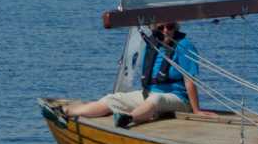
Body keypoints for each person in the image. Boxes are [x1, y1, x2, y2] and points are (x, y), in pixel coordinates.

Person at [65, 22, 214, 128]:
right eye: (161, 27)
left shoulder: (184, 46)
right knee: (113, 99)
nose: (165, 31)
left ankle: (128, 119)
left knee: (156, 99)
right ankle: (66, 112)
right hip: (149, 95)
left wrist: (196, 111)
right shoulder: (153, 45)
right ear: (155, 29)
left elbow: (189, 81)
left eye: (169, 27)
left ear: (176, 27)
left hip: (178, 99)